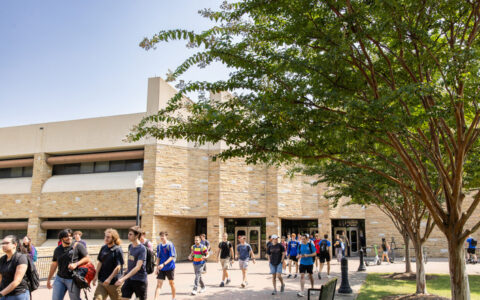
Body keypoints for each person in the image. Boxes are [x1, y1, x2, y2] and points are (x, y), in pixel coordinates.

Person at [47, 228, 90, 300]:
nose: (69, 238)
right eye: (66, 236)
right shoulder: (57, 249)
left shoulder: (78, 246)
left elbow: (87, 258)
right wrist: (49, 279)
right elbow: (54, 264)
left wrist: (76, 264)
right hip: (59, 278)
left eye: (70, 236)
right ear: (61, 238)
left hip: (73, 279)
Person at [115, 226, 147, 300]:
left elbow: (137, 267)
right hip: (129, 279)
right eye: (128, 234)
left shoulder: (142, 249)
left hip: (140, 280)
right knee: (123, 298)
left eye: (130, 234)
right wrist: (123, 276)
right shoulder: (130, 246)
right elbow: (130, 263)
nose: (128, 236)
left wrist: (123, 279)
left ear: (137, 235)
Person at [93, 228, 124, 300]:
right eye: (105, 236)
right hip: (102, 282)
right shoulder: (103, 248)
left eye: (108, 237)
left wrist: (109, 279)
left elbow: (118, 266)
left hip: (114, 283)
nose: (106, 238)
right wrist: (96, 275)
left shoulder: (118, 250)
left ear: (113, 238)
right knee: (97, 298)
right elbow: (100, 262)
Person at [0, 235, 29, 299]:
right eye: (2, 243)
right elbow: (0, 277)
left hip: (18, 294)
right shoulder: (2, 259)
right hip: (4, 293)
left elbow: (17, 281)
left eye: (7, 243)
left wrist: (1, 294)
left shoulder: (21, 258)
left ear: (15, 245)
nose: (4, 245)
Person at [154, 231, 176, 300]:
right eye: (161, 236)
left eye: (163, 236)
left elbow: (172, 256)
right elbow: (158, 257)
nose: (162, 237)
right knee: (158, 285)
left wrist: (163, 264)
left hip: (170, 267)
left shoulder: (170, 245)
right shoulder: (159, 246)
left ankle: (173, 297)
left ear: (166, 236)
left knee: (171, 283)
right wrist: (157, 268)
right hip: (161, 268)